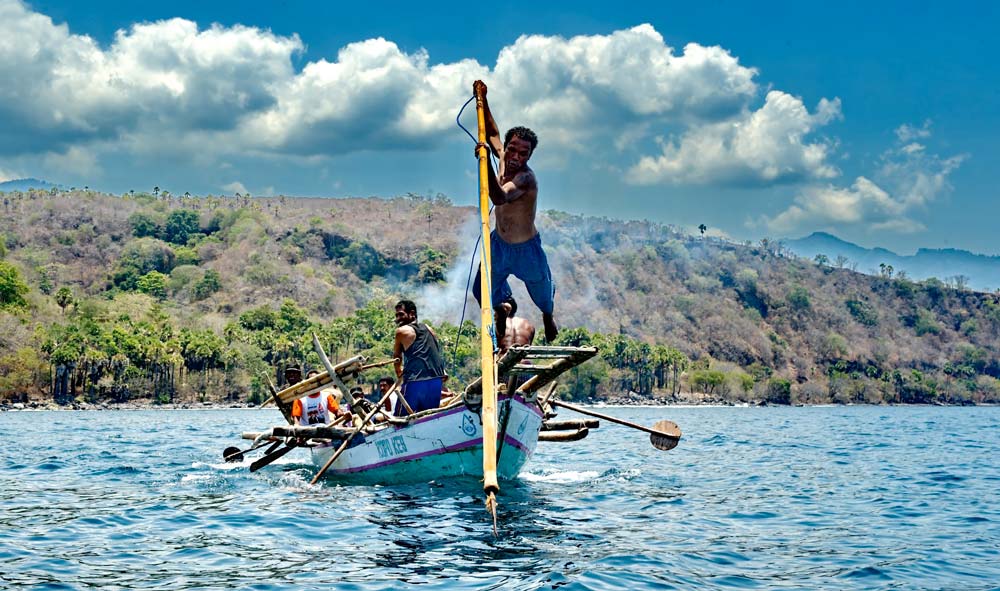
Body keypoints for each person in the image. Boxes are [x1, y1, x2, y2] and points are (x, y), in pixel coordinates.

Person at [471, 79, 558, 344]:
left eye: (524, 153)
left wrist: (482, 162)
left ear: (530, 156)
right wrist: (482, 100)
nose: (516, 157)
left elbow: (498, 197)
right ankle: (503, 307)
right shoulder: (500, 158)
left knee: (542, 292)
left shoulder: (525, 179)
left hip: (526, 249)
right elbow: (492, 134)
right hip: (500, 244)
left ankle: (548, 316)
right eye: (512, 149)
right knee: (481, 291)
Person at [392, 299, 446, 415]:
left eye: (401, 314)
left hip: (415, 381)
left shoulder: (401, 331)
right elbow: (436, 350)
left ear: (412, 314)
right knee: (428, 416)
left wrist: (399, 372)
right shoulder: (429, 329)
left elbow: (397, 357)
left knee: (400, 419)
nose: (398, 319)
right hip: (435, 380)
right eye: (396, 315)